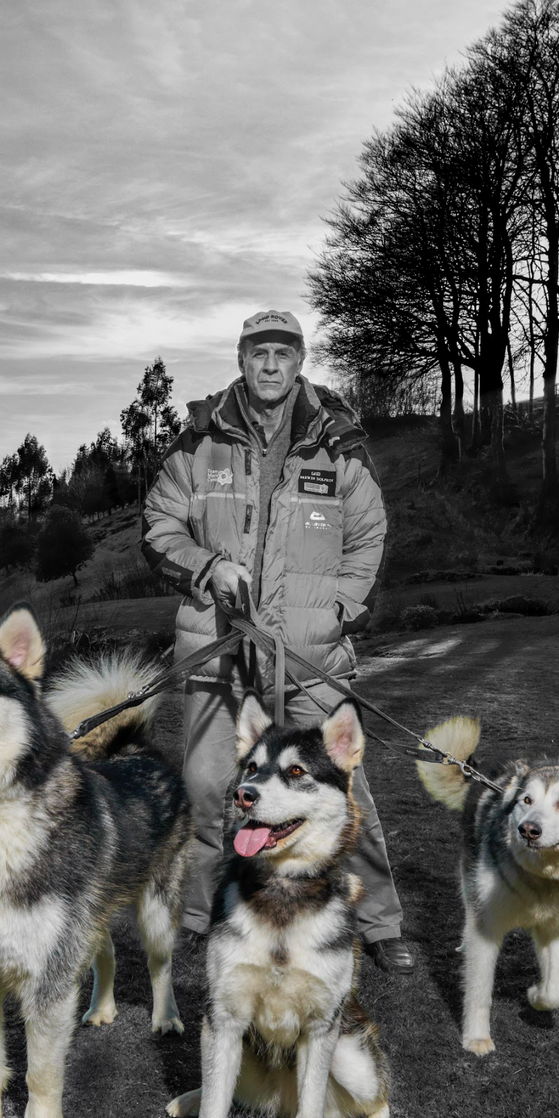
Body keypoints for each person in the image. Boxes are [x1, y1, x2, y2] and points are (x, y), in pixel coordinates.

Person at [142, 309, 414, 972]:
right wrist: (208, 567)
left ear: (299, 361)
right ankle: (200, 915)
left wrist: (340, 610)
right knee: (209, 788)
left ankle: (380, 923)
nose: (270, 365)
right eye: (258, 353)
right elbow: (158, 527)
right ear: (242, 359)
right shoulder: (199, 439)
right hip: (218, 647)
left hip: (308, 655)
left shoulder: (337, 440)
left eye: (282, 353)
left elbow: (369, 535)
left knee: (344, 792)